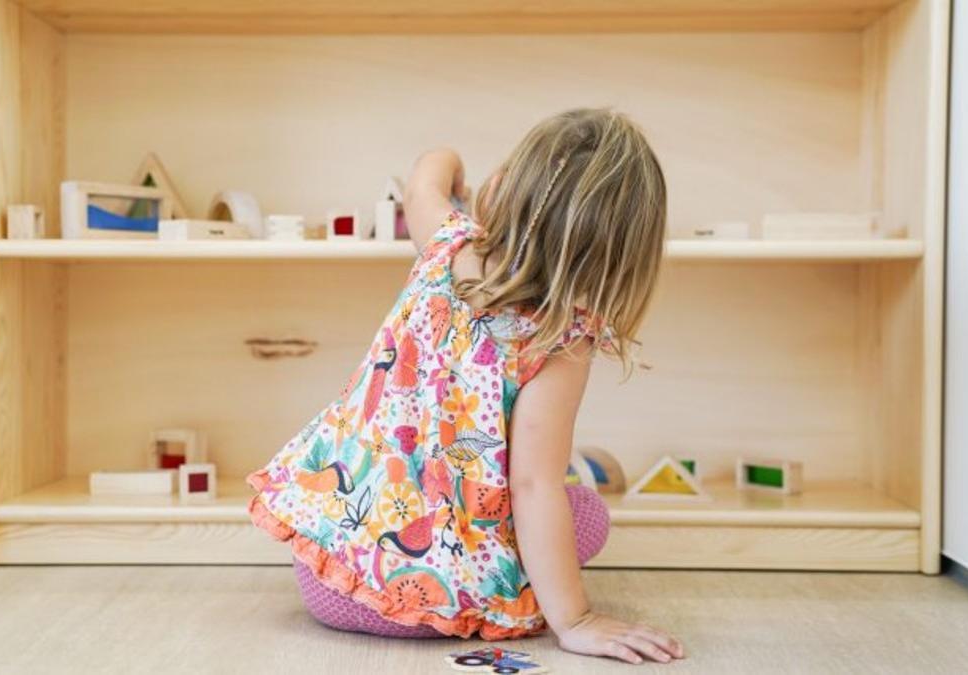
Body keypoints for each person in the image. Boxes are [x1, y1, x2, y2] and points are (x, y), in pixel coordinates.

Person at [248, 108, 683, 665]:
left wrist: (451, 164)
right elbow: (532, 485)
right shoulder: (562, 339)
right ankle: (518, 599)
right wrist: (574, 620)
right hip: (428, 601)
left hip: (325, 565)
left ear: (504, 184)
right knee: (586, 512)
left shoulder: (447, 246)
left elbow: (424, 179)